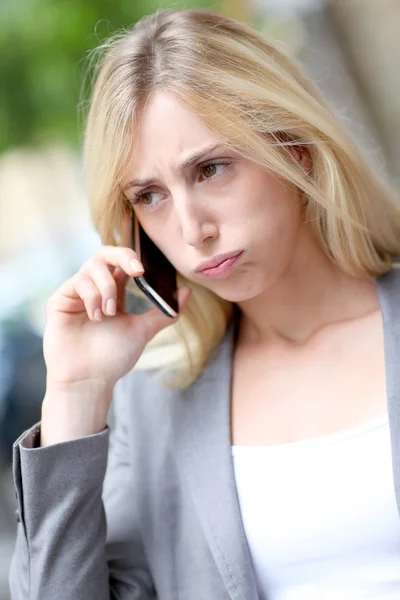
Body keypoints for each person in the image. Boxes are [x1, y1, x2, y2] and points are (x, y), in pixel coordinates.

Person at [9, 8, 400, 600]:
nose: (192, 230)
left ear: (294, 149)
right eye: (151, 196)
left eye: (211, 168)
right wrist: (75, 395)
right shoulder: (153, 414)